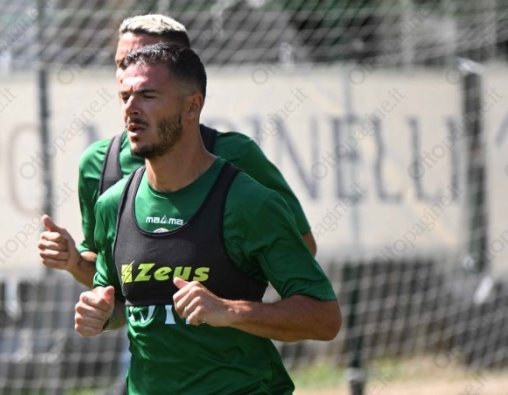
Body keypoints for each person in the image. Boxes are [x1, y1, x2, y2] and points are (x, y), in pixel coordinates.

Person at [74, 43, 341, 394]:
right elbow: (119, 303)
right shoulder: (113, 204)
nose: (131, 109)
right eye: (125, 97)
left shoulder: (249, 202)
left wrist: (229, 310)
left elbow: (324, 318)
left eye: (147, 96)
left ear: (192, 106)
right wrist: (99, 313)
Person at [38, 14, 316, 288]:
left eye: (145, 58)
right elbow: (107, 281)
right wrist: (74, 262)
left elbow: (301, 249)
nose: (129, 72)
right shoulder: (98, 163)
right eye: (121, 63)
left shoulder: (236, 154)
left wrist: (229, 302)